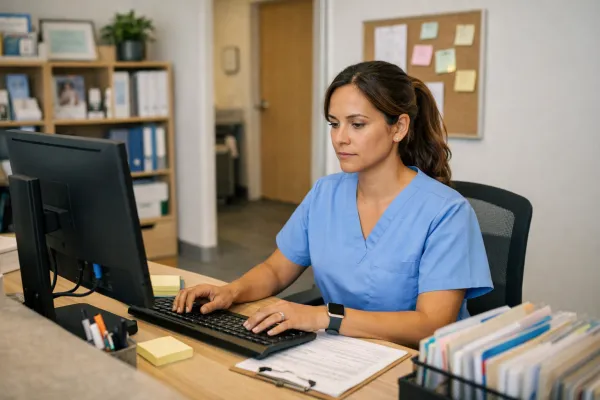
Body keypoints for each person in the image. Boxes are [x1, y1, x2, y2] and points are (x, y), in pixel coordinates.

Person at [173, 61, 493, 348]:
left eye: (357, 124)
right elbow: (275, 269)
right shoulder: (326, 193)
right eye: (333, 123)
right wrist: (232, 291)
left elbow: (431, 324)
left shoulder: (446, 212)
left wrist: (325, 317)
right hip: (339, 352)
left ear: (399, 128)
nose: (340, 138)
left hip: (413, 365)